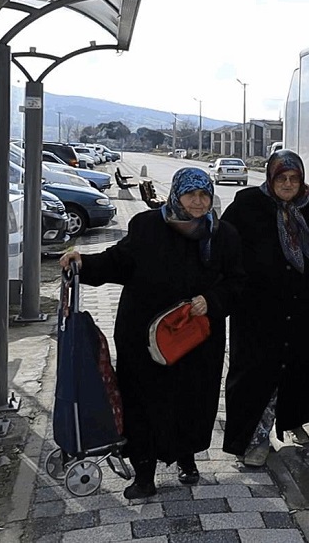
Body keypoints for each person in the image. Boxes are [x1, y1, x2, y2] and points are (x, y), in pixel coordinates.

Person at [59, 167, 244, 499]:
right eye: (191, 195)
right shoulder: (147, 226)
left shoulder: (224, 234)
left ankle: (187, 459)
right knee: (142, 402)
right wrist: (83, 264)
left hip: (196, 338)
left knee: (192, 402)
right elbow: (118, 262)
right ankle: (144, 474)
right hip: (143, 336)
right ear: (177, 194)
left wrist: (212, 300)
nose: (199, 203)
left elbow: (238, 282)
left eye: (204, 195)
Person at [221, 149, 309, 466]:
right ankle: (254, 440)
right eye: (282, 177)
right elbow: (224, 242)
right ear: (271, 177)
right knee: (256, 372)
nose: (289, 184)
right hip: (257, 307)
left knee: (301, 364)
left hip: (306, 304)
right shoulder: (248, 203)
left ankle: (291, 420)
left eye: (294, 178)